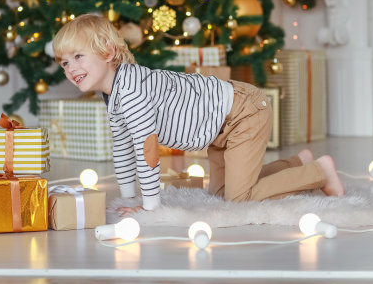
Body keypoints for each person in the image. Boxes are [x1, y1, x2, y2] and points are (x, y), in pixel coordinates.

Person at [53, 14, 345, 214]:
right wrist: (128, 199)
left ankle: (320, 173)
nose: (71, 69)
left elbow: (146, 150)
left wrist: (150, 207)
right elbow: (122, 148)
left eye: (78, 57)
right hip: (218, 130)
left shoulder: (131, 91)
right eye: (64, 63)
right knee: (221, 196)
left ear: (107, 53)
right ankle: (295, 164)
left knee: (239, 199)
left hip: (242, 113)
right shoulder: (114, 94)